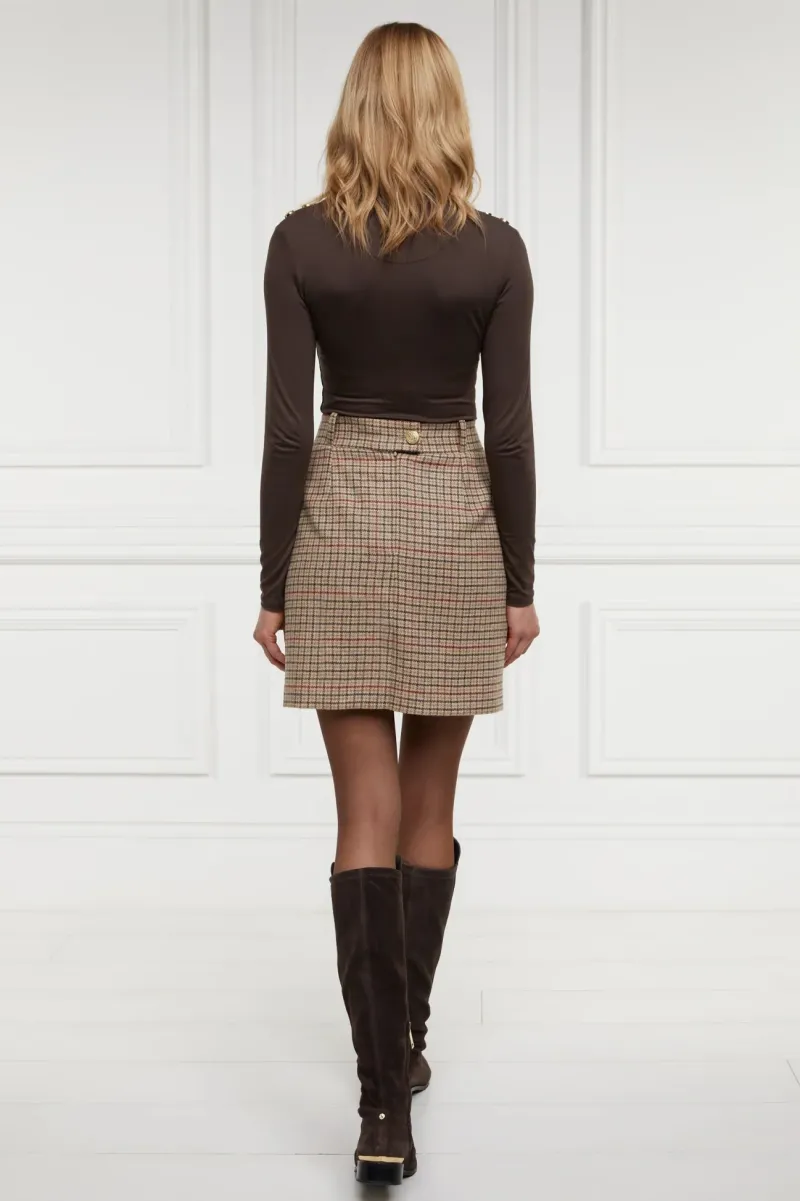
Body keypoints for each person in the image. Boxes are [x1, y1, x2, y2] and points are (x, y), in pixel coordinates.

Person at [253, 20, 539, 1187]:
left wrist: (273, 580)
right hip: (455, 522)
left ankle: (381, 1105)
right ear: (447, 110)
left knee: (360, 813)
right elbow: (508, 433)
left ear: (353, 109)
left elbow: (287, 428)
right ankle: (404, 1040)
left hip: (339, 520)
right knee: (428, 802)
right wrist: (518, 583)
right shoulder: (496, 252)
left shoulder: (298, 243)